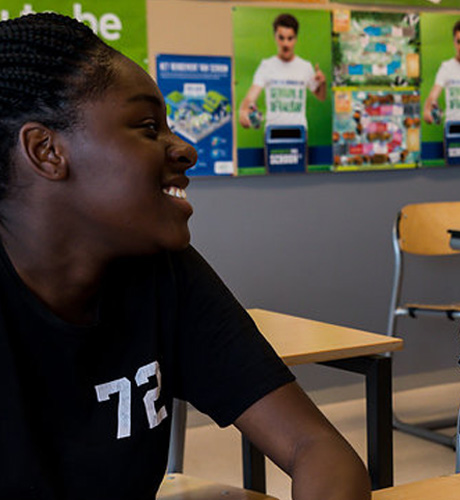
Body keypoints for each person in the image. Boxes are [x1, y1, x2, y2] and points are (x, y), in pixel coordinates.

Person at [0, 13, 369, 500]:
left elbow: (315, 446)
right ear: (46, 150)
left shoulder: (162, 274)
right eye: (149, 127)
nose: (187, 150)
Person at [238, 13, 326, 130]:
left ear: (295, 39)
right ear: (275, 37)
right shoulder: (266, 66)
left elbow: (321, 96)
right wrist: (243, 110)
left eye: (290, 38)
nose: (285, 44)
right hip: (273, 133)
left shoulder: (305, 66)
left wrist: (323, 83)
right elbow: (250, 98)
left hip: (298, 132)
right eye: (281, 38)